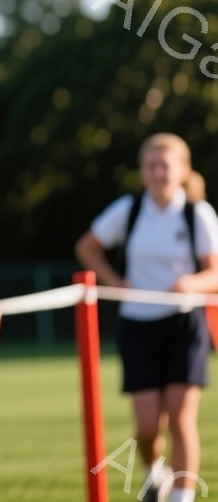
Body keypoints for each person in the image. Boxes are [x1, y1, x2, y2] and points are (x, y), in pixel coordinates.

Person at [75, 133, 218, 502]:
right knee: (147, 426)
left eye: (165, 165)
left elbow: (215, 273)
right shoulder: (129, 209)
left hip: (183, 324)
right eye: (151, 166)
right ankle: (156, 475)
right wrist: (116, 282)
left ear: (183, 170)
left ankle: (182, 497)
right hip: (137, 324)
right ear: (143, 171)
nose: (158, 173)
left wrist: (193, 282)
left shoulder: (197, 213)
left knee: (182, 418)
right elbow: (87, 247)